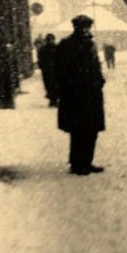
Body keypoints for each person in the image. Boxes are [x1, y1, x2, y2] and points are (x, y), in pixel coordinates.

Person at [55, 14, 106, 176]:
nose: (86, 30)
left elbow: (95, 66)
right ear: (76, 28)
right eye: (83, 27)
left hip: (91, 95)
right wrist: (72, 86)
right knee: (78, 131)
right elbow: (60, 70)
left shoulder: (90, 44)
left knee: (91, 131)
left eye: (88, 27)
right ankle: (77, 164)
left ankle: (87, 162)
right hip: (75, 96)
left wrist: (99, 80)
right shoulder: (67, 45)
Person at [37, 34, 58, 107]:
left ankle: (54, 99)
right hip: (48, 70)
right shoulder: (43, 49)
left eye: (51, 39)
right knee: (49, 85)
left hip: (54, 70)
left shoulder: (57, 48)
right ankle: (52, 99)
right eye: (49, 40)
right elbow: (40, 59)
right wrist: (43, 66)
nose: (50, 41)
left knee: (54, 84)